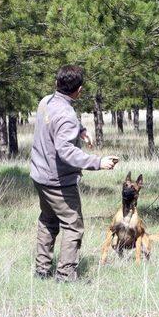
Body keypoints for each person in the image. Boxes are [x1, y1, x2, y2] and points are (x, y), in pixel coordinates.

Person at [30, 65, 118, 281]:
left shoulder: (46, 101)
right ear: (79, 90)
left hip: (39, 175)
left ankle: (42, 270)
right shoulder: (67, 114)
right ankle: (66, 275)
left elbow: (59, 123)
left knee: (48, 221)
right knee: (73, 226)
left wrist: (80, 129)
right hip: (58, 181)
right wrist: (98, 162)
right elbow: (67, 152)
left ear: (56, 84)